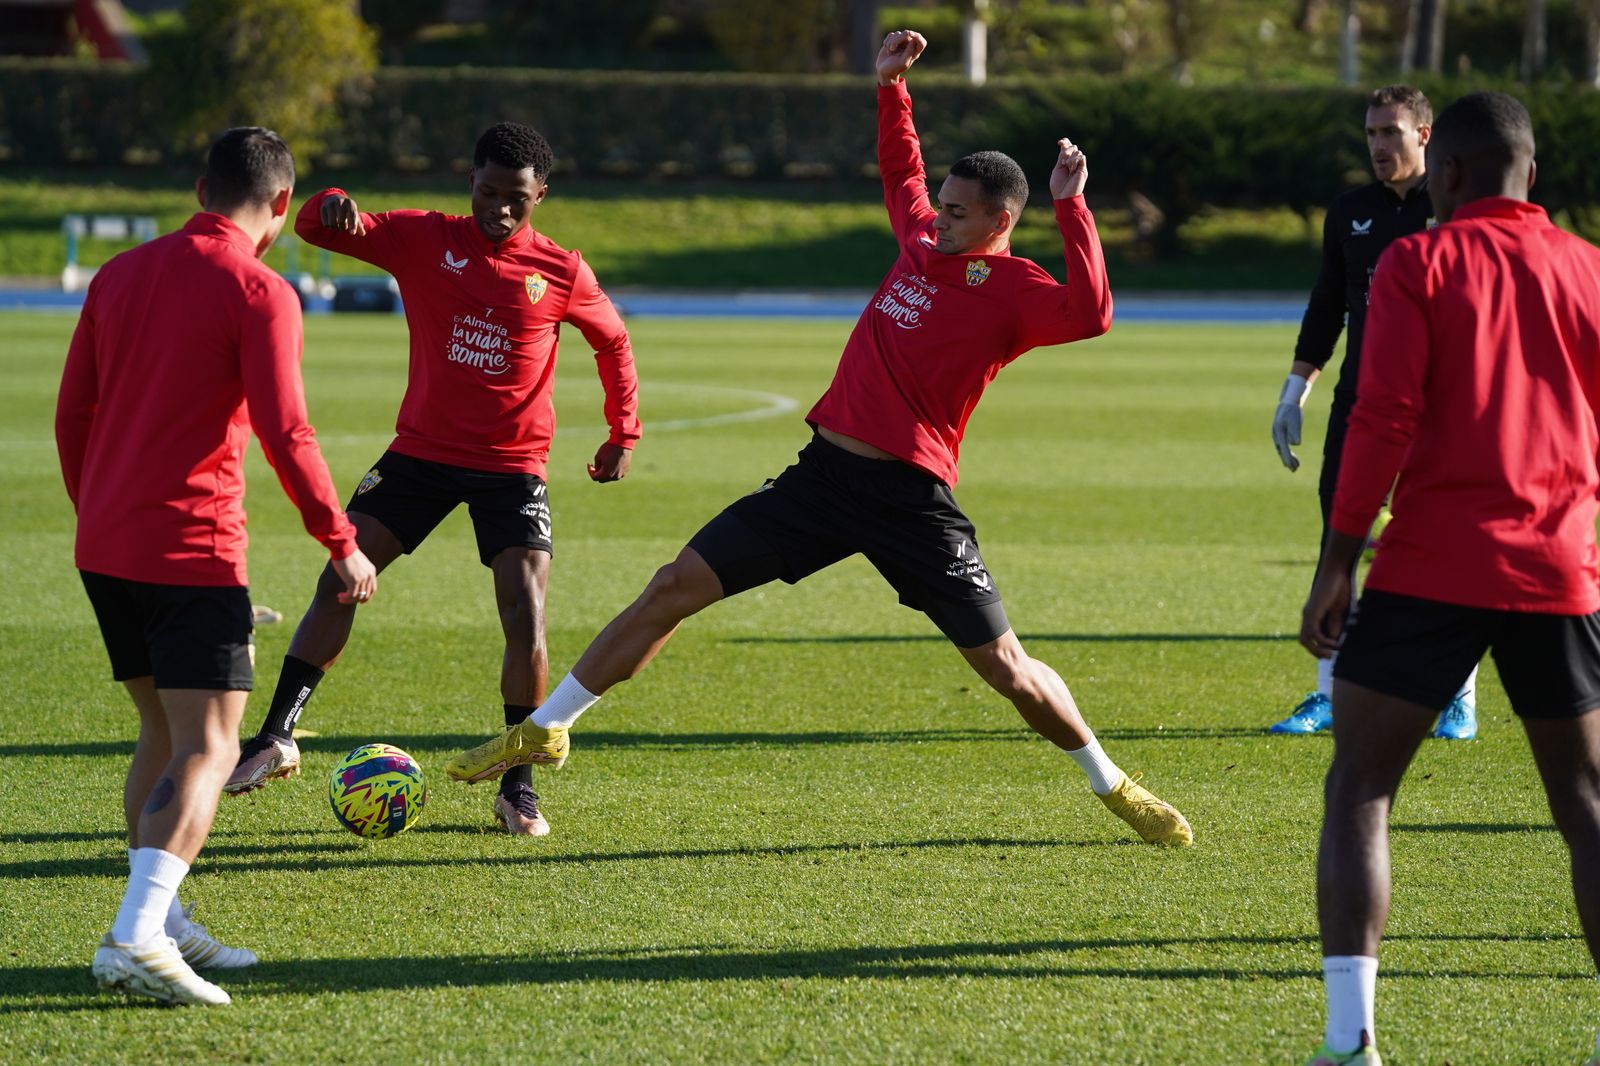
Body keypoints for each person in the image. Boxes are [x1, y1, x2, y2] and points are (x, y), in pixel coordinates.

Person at [443, 30, 1193, 848]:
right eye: (941, 205)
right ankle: (548, 727)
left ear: (1000, 220)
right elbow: (901, 172)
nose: (937, 218)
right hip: (822, 481)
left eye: (956, 212)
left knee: (1006, 669)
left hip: (910, 502)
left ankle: (1112, 782)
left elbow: (1093, 313)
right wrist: (891, 89)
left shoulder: (1015, 288)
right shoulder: (921, 239)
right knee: (673, 586)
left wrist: (1073, 206)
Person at [224, 121, 641, 839]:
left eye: (517, 198)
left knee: (526, 611)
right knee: (341, 578)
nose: (500, 209)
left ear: (541, 194)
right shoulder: (421, 237)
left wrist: (622, 432)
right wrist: (331, 202)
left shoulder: (562, 270)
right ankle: (276, 736)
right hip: (420, 454)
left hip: (512, 466)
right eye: (488, 191)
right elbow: (319, 228)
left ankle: (517, 785)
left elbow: (614, 341)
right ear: (469, 181)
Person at [1299, 92, 1600, 1066]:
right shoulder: (1590, 269)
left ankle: (1350, 1041)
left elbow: (1382, 416)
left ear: (1449, 172)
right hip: (1557, 567)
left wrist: (1337, 561)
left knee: (1360, 788)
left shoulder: (1417, 261)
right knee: (1586, 807)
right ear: (1530, 174)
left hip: (1430, 563)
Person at [56, 127, 379, 1005]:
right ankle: (134, 935)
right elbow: (288, 432)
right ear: (282, 203)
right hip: (191, 548)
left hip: (106, 544)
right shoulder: (261, 289)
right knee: (212, 744)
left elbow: (73, 414)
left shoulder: (117, 274)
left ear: (202, 190)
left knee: (161, 735)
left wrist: (99, 511)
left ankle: (159, 920)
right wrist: (341, 541)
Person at [1269, 86, 1477, 741]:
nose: (1379, 145)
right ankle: (1330, 692)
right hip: (1361, 401)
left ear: (1424, 135)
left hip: (1442, 404)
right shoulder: (1350, 211)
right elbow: (1327, 305)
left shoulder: (1456, 208)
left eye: (1391, 132)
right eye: (1371, 134)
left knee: (1445, 542)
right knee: (1340, 537)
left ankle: (1458, 697)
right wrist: (1294, 392)